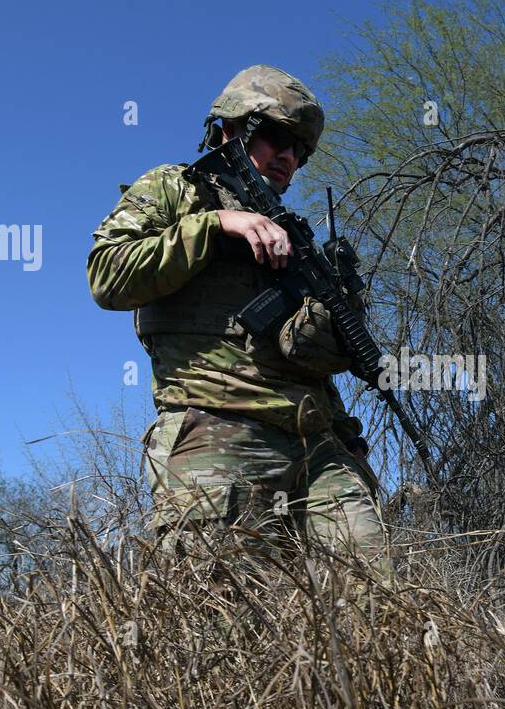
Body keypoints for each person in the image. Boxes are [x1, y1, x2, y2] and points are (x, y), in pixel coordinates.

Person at [87, 64, 392, 583]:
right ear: (230, 127)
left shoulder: (295, 238)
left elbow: (307, 354)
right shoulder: (174, 190)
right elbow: (108, 276)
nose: (289, 156)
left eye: (301, 149)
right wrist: (215, 225)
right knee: (223, 624)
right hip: (220, 430)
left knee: (374, 608)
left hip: (319, 442)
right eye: (275, 136)